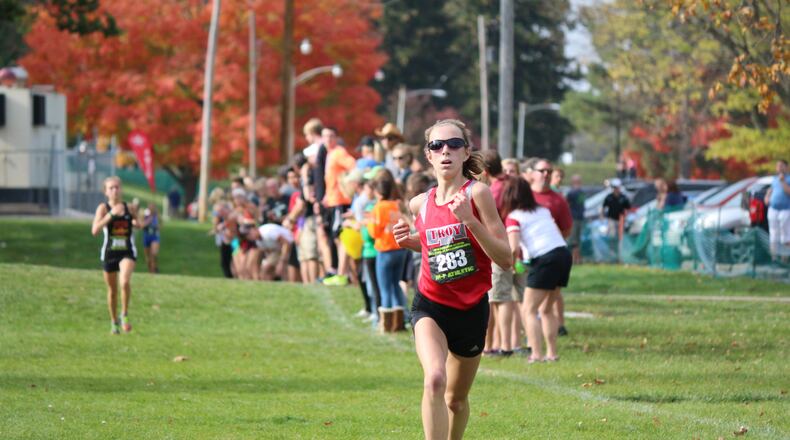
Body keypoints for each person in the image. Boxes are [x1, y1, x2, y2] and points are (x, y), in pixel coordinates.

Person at [392, 119, 512, 440]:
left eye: (454, 144)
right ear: (428, 155)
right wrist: (410, 241)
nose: (445, 151)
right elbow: (437, 245)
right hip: (430, 306)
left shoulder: (478, 194)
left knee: (456, 401)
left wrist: (470, 220)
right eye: (437, 145)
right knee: (434, 379)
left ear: (466, 152)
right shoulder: (419, 203)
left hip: (471, 311)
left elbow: (505, 258)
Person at [502, 176, 572, 363]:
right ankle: (552, 353)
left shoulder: (513, 217)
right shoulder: (543, 210)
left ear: (509, 196)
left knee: (528, 310)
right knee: (547, 309)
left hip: (545, 259)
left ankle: (536, 354)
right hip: (564, 254)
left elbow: (513, 248)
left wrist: (511, 264)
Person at [529, 159, 573, 337]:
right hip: (528, 256)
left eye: (549, 171)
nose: (546, 174)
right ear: (533, 173)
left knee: (538, 306)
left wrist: (549, 240)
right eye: (542, 171)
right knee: (535, 306)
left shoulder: (558, 200)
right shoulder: (524, 197)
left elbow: (567, 229)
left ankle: (539, 344)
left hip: (549, 256)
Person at [91, 176, 139, 334]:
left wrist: (137, 222)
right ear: (106, 192)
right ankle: (114, 322)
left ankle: (124, 314)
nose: (115, 190)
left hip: (127, 251)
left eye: (117, 187)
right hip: (109, 253)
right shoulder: (103, 208)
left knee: (124, 281)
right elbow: (95, 230)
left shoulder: (129, 207)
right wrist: (112, 214)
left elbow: (138, 223)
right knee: (112, 291)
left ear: (121, 189)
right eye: (111, 188)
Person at [368, 174, 409, 332]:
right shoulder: (396, 205)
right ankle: (399, 323)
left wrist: (367, 224)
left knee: (385, 288)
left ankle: (386, 324)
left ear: (378, 192)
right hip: (400, 249)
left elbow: (374, 232)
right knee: (396, 284)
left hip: (385, 250)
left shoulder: (379, 207)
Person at [321, 126, 357, 286]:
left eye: (331, 136)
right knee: (337, 237)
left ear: (336, 138)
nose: (328, 139)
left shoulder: (339, 152)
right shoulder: (330, 154)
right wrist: (327, 196)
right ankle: (345, 273)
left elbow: (353, 166)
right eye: (325, 136)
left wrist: (347, 187)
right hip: (333, 200)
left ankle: (343, 274)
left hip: (341, 201)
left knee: (341, 237)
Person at [764, 159, 790, 261]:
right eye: (778, 165)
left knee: (785, 235)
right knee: (774, 235)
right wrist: (767, 197)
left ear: (786, 167)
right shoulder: (774, 179)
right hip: (773, 209)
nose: (779, 167)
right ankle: (774, 258)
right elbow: (771, 191)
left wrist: (783, 181)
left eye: (781, 165)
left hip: (785, 210)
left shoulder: (788, 179)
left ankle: (785, 259)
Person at [565, 174, 586, 264]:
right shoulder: (582, 192)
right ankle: (578, 259)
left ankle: (574, 259)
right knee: (577, 240)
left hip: (573, 218)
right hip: (580, 218)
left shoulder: (571, 193)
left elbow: (566, 204)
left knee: (573, 240)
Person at [141, 202, 161, 273]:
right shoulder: (145, 215)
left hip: (155, 236)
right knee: (148, 257)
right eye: (150, 207)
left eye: (153, 207)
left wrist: (158, 226)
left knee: (153, 254)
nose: (152, 208)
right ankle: (150, 270)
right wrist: (148, 221)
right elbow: (141, 225)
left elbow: (161, 224)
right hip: (146, 236)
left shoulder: (157, 215)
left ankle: (154, 270)